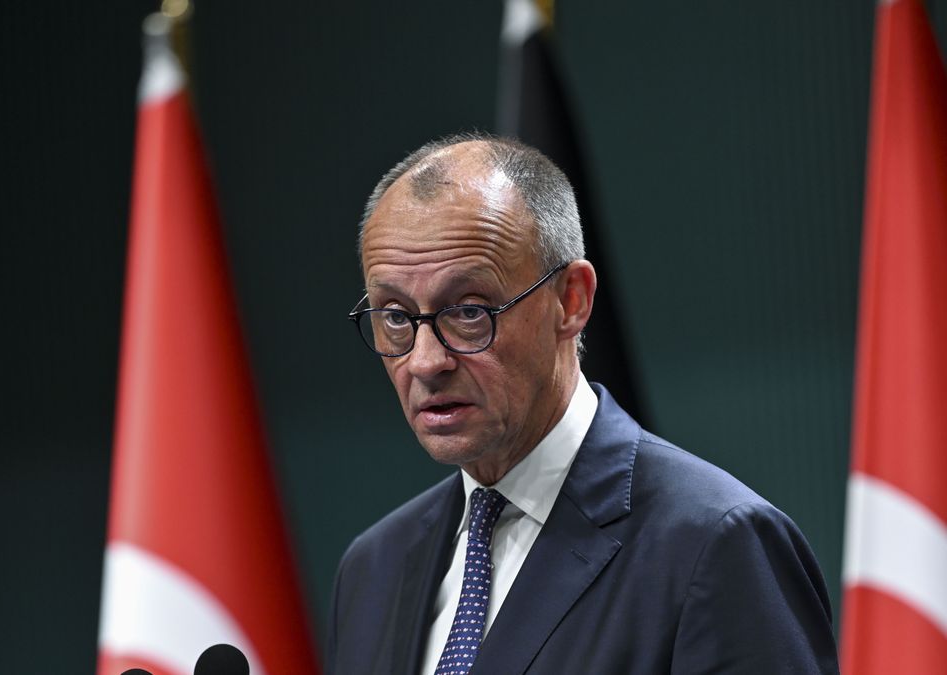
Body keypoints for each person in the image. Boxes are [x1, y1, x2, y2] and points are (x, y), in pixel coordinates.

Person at [327, 134, 838, 674]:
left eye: (469, 311)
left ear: (571, 300)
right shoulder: (372, 568)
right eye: (396, 317)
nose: (426, 362)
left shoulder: (716, 546)